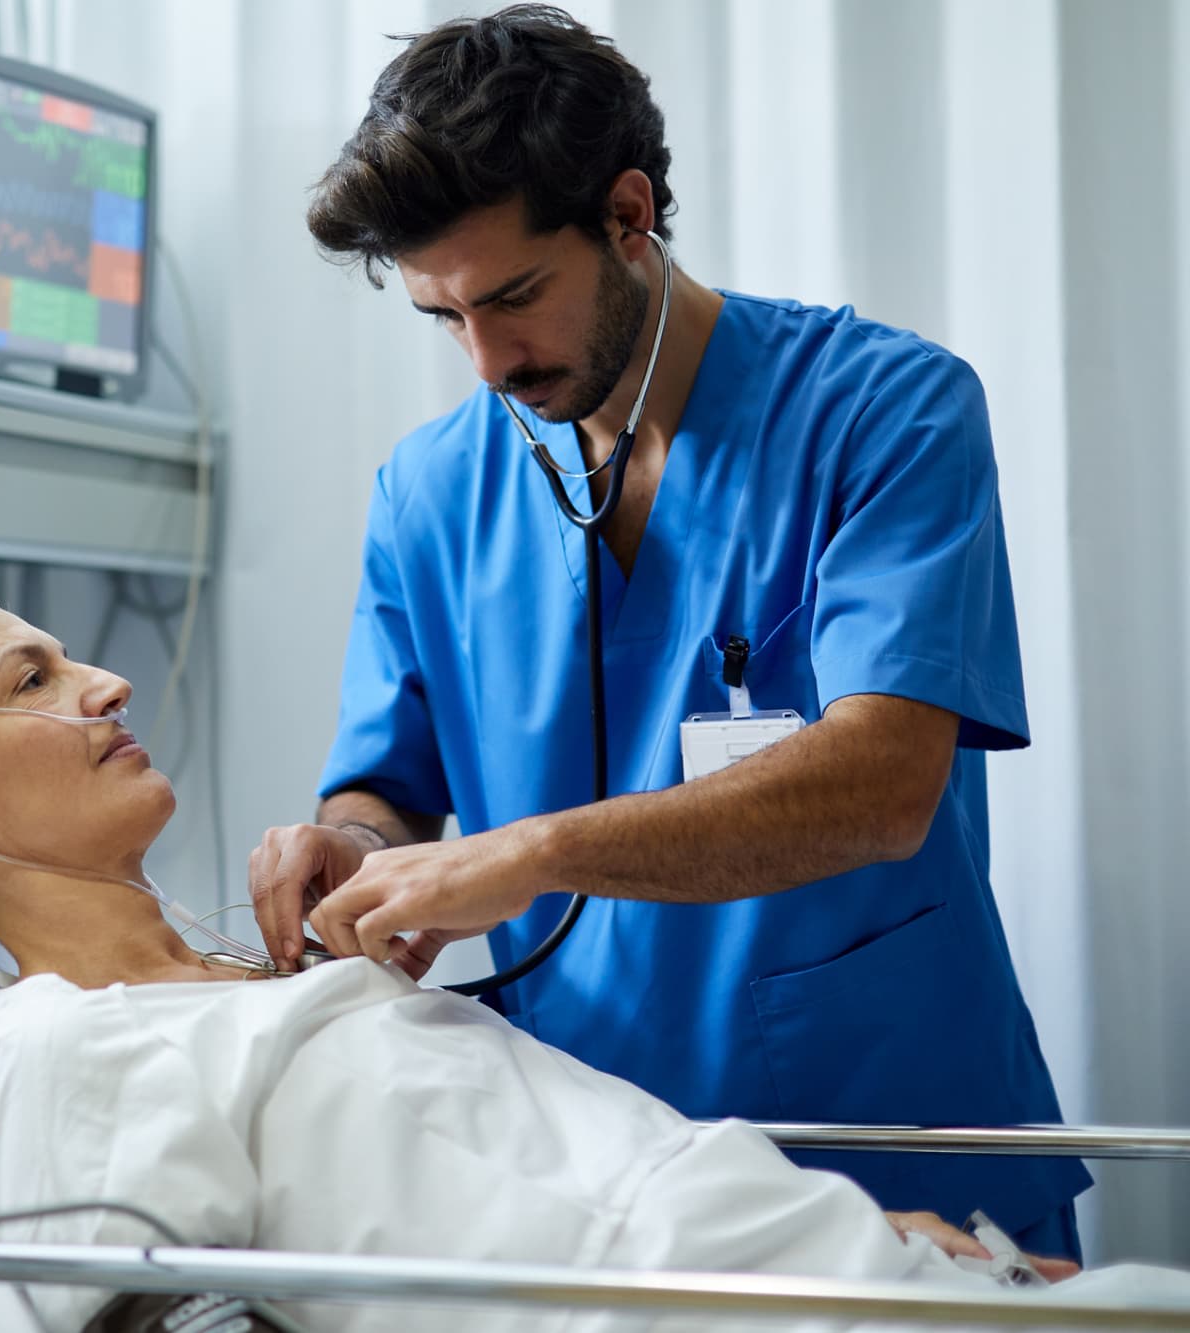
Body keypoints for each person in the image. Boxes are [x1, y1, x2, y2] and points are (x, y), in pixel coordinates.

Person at [248, 3, 1087, 1258]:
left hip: (889, 1123)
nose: (484, 360)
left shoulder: (884, 411)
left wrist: (523, 855)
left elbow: (882, 783)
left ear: (627, 215)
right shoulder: (427, 491)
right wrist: (347, 844)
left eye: (513, 297)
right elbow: (387, 784)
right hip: (603, 1170)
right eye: (442, 317)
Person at [0, 578, 1101, 1333]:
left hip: (845, 1267)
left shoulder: (271, 986)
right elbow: (153, 1319)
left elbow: (559, 1165)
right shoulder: (65, 1042)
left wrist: (863, 1239)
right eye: (32, 682)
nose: (104, 684)